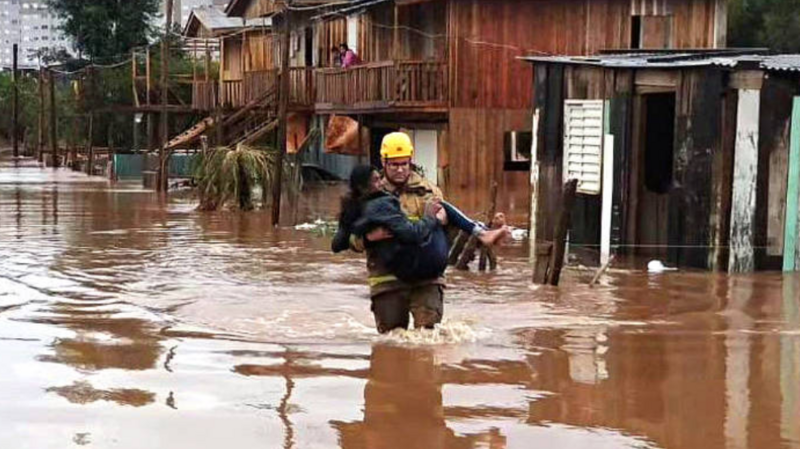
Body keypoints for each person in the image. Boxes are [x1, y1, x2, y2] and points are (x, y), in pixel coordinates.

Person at [334, 132, 505, 333]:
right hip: (387, 277)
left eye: (404, 164)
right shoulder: (369, 192)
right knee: (391, 338)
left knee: (428, 336)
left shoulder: (429, 190)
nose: (400, 170)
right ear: (383, 162)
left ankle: (482, 232)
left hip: (427, 275)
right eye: (394, 165)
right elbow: (346, 239)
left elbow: (445, 235)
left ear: (410, 161)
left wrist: (445, 223)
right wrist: (367, 239)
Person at [332, 165, 505, 283]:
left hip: (404, 261)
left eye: (404, 164)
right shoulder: (380, 203)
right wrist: (431, 217)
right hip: (402, 263)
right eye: (377, 180)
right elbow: (412, 233)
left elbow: (337, 244)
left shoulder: (353, 206)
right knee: (439, 208)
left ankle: (482, 232)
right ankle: (482, 232)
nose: (381, 183)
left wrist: (366, 237)